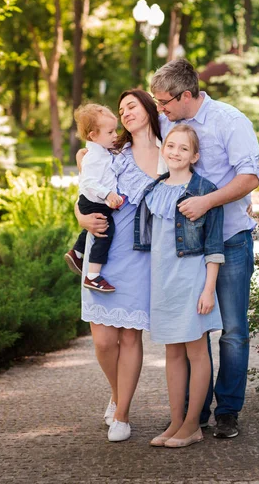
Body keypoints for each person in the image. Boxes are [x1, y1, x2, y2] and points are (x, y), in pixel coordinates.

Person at [150, 58, 259, 439]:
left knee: (232, 330)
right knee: (191, 330)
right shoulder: (168, 122)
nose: (160, 109)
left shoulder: (229, 121)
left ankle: (227, 411)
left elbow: (251, 177)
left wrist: (208, 201)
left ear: (185, 96)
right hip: (186, 253)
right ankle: (192, 415)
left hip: (229, 239)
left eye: (164, 102)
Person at [75, 90, 165, 443]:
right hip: (104, 250)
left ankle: (123, 412)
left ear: (149, 109)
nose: (125, 113)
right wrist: (82, 219)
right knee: (102, 340)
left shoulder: (167, 151)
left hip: (141, 254)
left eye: (132, 106)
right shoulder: (111, 151)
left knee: (129, 336)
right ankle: (116, 392)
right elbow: (85, 193)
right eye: (121, 109)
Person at [134, 125, 224, 448]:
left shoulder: (204, 190)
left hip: (192, 281)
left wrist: (208, 288)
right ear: (163, 149)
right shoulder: (154, 190)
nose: (175, 152)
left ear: (194, 156)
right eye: (170, 146)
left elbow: (214, 246)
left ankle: (192, 425)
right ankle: (175, 421)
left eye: (183, 149)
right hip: (164, 282)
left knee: (196, 352)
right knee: (172, 352)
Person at [65, 103, 123, 293]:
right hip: (93, 201)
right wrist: (108, 194)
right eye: (110, 132)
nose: (115, 135)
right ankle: (92, 276)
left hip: (95, 201)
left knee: (97, 226)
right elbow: (88, 182)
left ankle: (77, 252)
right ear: (93, 136)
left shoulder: (102, 152)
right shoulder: (93, 157)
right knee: (105, 231)